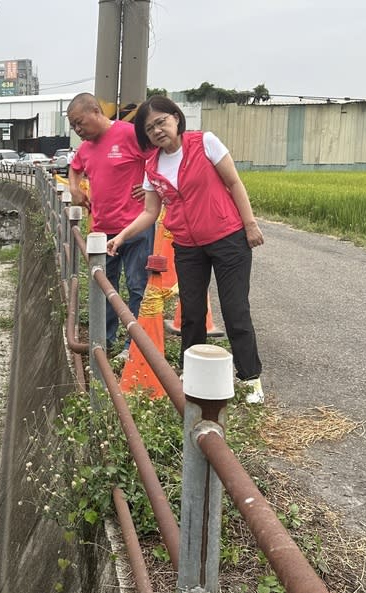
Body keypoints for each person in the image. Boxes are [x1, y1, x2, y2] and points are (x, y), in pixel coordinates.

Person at [107, 95, 265, 403]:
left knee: (235, 311)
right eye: (150, 128)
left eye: (161, 122)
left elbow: (234, 183)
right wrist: (122, 236)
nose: (157, 131)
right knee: (192, 314)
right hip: (188, 246)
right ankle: (193, 376)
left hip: (228, 238)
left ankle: (250, 379)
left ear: (176, 118)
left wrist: (250, 225)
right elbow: (150, 212)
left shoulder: (205, 143)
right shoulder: (151, 166)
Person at [67, 92, 154, 360]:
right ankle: (103, 341)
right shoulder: (85, 148)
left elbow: (156, 158)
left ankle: (133, 348)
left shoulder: (129, 133)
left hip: (136, 227)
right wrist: (74, 188)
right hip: (103, 230)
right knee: (106, 286)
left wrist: (150, 185)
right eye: (73, 127)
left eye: (80, 123)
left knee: (138, 287)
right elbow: (75, 168)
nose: (78, 130)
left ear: (96, 110)